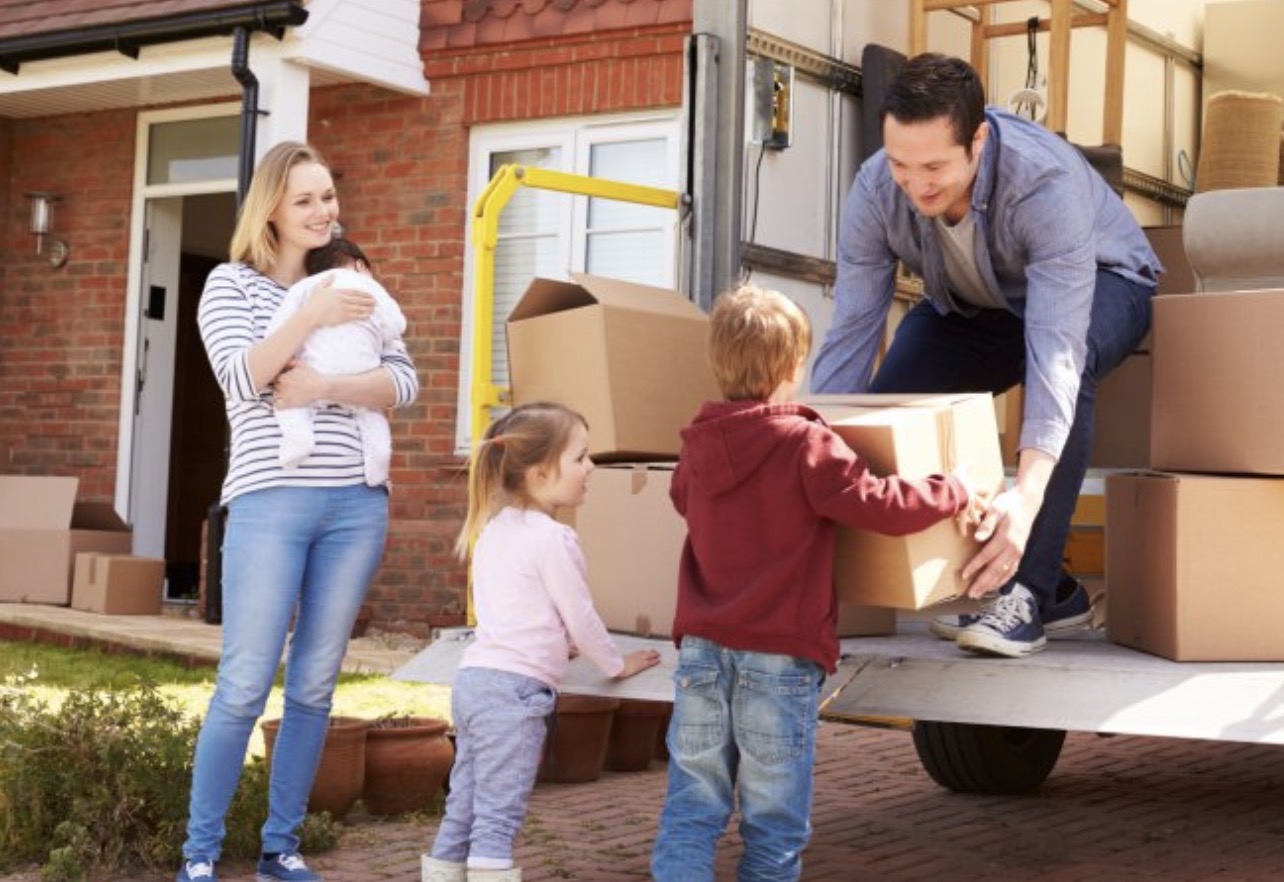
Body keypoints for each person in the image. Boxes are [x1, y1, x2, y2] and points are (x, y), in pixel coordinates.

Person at [811, 53, 1162, 659]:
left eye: (934, 167)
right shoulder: (874, 187)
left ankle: (1028, 592)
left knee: (1065, 368)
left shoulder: (1042, 184)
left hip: (1106, 285)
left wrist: (1023, 500)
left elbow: (1054, 353)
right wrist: (804, 449)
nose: (916, 183)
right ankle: (1023, 585)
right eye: (900, 164)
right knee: (890, 400)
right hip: (979, 306)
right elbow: (852, 333)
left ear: (978, 139)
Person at [650, 285, 976, 882]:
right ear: (792, 366)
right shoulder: (806, 442)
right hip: (779, 656)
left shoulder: (696, 446)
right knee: (773, 826)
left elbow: (681, 500)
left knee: (692, 809)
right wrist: (952, 488)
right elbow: (879, 504)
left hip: (700, 652)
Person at [177, 142, 419, 882]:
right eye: (307, 199)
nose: (325, 211)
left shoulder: (351, 280)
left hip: (356, 508)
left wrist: (321, 388)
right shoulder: (230, 287)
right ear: (272, 210)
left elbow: (403, 383)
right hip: (269, 504)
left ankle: (281, 847)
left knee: (315, 682)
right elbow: (244, 378)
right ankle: (200, 856)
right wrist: (309, 311)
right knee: (246, 682)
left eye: (329, 196)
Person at [421, 402, 662, 882]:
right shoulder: (554, 539)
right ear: (539, 471)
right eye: (581, 457)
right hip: (514, 695)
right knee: (498, 819)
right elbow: (580, 615)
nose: (591, 467)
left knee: (464, 807)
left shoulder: (493, 529)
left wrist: (554, 644)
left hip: (474, 684)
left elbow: (516, 611)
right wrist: (615, 664)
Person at [267, 236, 406, 486]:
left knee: (291, 408)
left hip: (311, 370)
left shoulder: (306, 287)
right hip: (361, 375)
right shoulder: (372, 289)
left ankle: (298, 439)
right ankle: (377, 467)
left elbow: (279, 327)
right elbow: (396, 324)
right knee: (371, 418)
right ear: (361, 265)